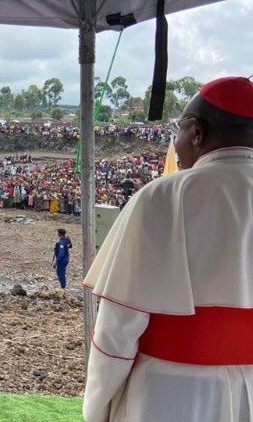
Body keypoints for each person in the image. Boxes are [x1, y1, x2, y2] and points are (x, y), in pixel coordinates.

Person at [83, 76, 253, 421]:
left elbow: (118, 327)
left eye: (178, 130)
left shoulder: (162, 196)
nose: (175, 143)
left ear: (197, 132)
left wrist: (97, 405)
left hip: (171, 391)